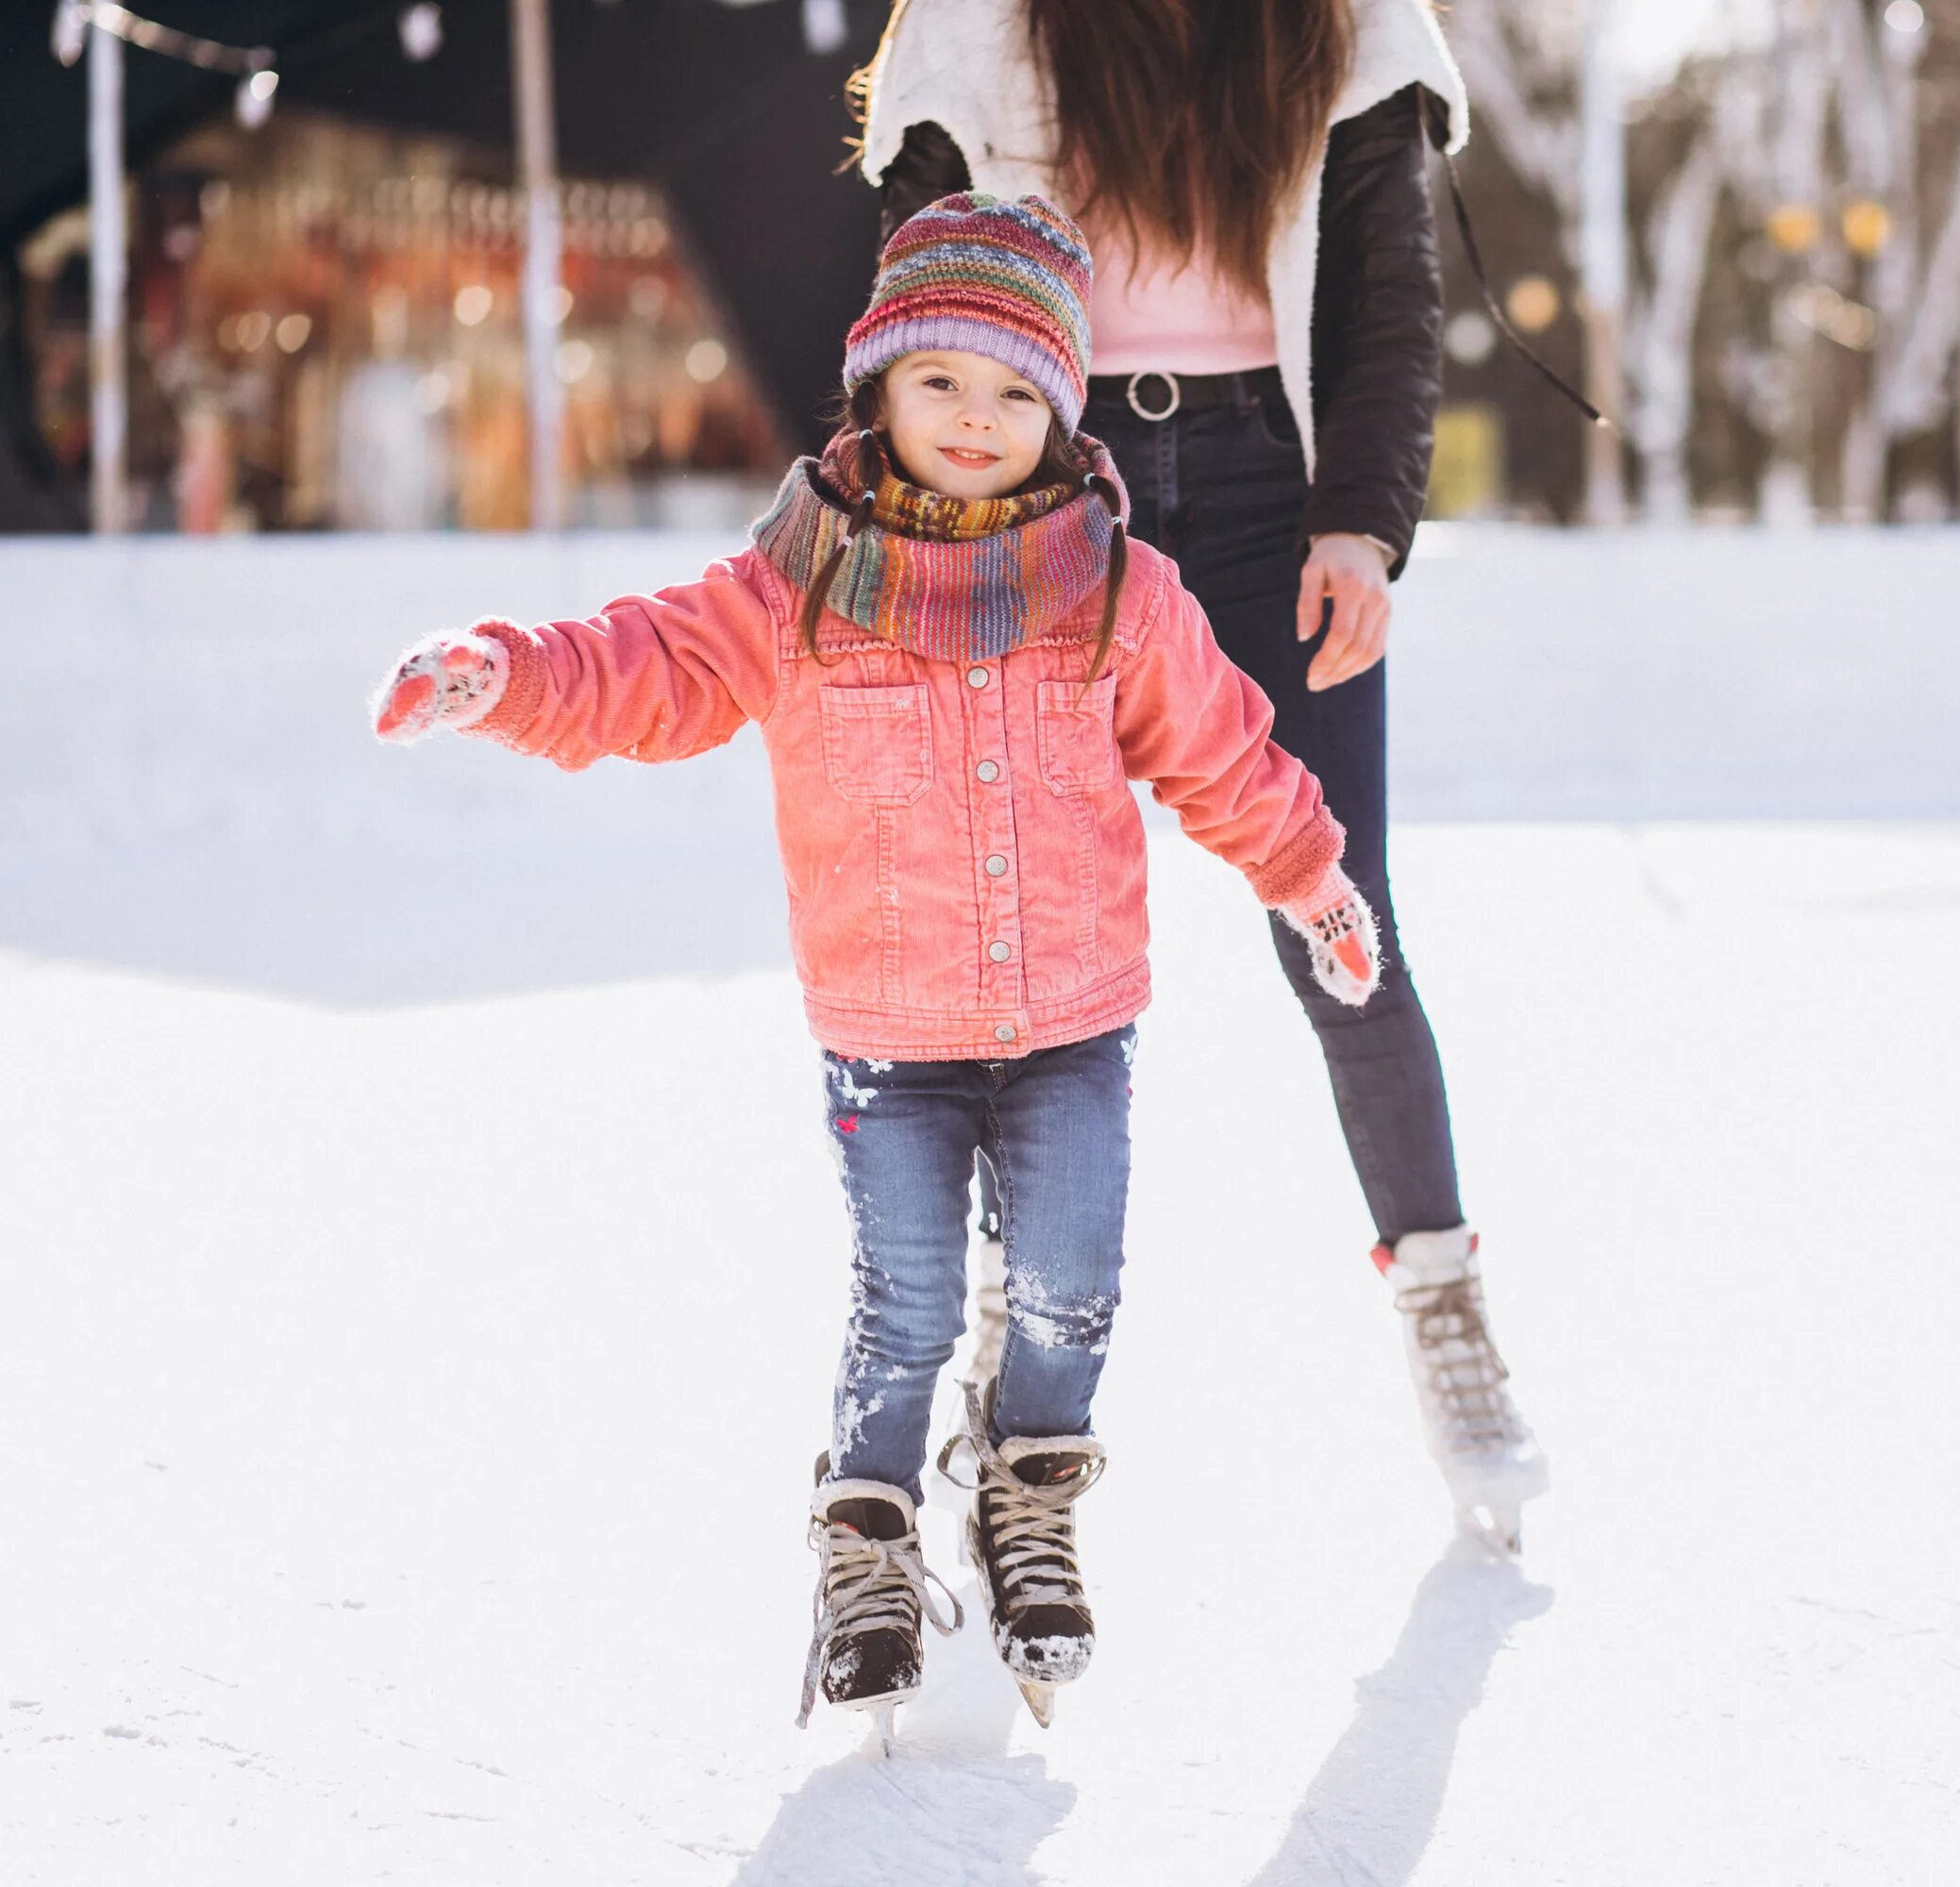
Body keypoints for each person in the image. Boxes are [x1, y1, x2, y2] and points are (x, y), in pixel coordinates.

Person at [366, 194, 1381, 1735]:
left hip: (1072, 1020)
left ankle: (1029, 1494)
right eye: (943, 384)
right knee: (906, 1306)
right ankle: (866, 1534)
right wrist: (507, 674)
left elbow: (1224, 756)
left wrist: (1310, 873)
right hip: (889, 1034)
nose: (978, 421)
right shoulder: (793, 586)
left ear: (1063, 411)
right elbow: (645, 667)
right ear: (878, 386)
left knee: (1069, 1291)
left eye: (1018, 392)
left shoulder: (1113, 587)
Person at [854, 0, 1547, 1551]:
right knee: (1001, 927)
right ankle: (993, 1312)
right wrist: (929, 512)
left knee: (1340, 923)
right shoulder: (979, 20)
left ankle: (1440, 1298)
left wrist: (1364, 526)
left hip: (1268, 487)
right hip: (1047, 476)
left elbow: (1388, 296)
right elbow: (921, 271)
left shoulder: (1346, 26)